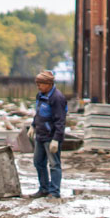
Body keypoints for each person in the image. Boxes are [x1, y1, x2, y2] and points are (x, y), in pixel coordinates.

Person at [30, 70, 67, 199]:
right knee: (38, 162)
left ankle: (55, 191)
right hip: (40, 135)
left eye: (40, 84)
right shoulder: (40, 95)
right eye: (37, 84)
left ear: (49, 84)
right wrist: (33, 125)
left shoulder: (57, 98)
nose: (38, 86)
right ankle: (44, 189)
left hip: (51, 137)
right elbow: (39, 113)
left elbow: (60, 120)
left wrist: (56, 139)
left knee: (54, 164)